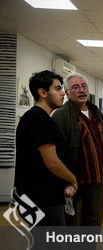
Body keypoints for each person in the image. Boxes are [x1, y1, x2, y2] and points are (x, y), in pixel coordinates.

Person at [14, 70, 77, 226]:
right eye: (57, 89)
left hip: (37, 196)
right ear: (42, 92)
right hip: (42, 198)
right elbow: (52, 162)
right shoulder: (39, 119)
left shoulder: (36, 117)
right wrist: (72, 179)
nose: (63, 93)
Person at [52, 72, 103, 226]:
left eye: (84, 86)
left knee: (94, 224)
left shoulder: (96, 112)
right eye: (75, 87)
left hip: (97, 182)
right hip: (75, 184)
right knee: (73, 226)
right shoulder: (60, 116)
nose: (82, 90)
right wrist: (65, 181)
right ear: (67, 93)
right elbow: (56, 154)